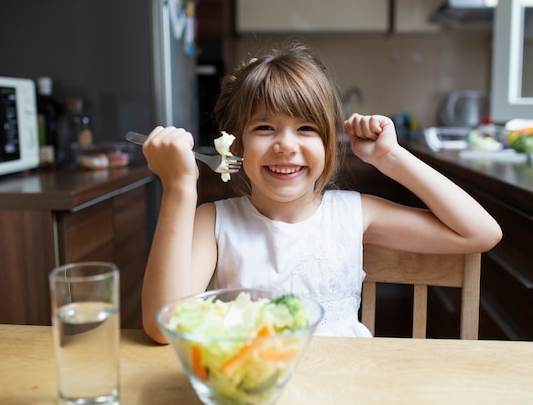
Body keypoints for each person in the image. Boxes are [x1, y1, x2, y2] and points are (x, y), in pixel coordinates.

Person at [141, 42, 502, 344]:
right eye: (265, 127)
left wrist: (391, 158)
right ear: (235, 146)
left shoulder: (355, 215)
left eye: (306, 128)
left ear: (330, 143)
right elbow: (162, 326)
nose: (286, 145)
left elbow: (481, 233)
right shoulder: (215, 222)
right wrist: (178, 189)